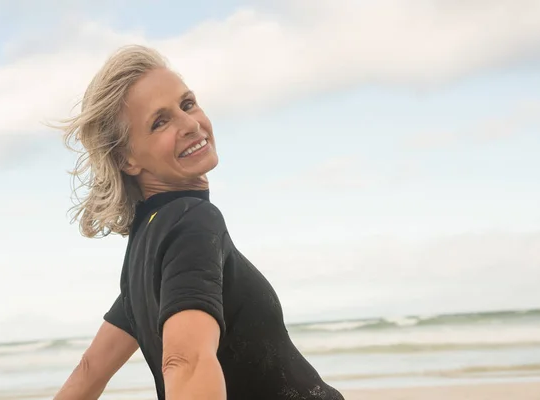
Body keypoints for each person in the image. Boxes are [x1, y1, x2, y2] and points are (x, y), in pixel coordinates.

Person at [52, 45, 345, 400]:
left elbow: (89, 372)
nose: (190, 124)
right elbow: (184, 361)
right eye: (160, 122)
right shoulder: (192, 221)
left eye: (187, 104)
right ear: (127, 159)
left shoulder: (143, 253)